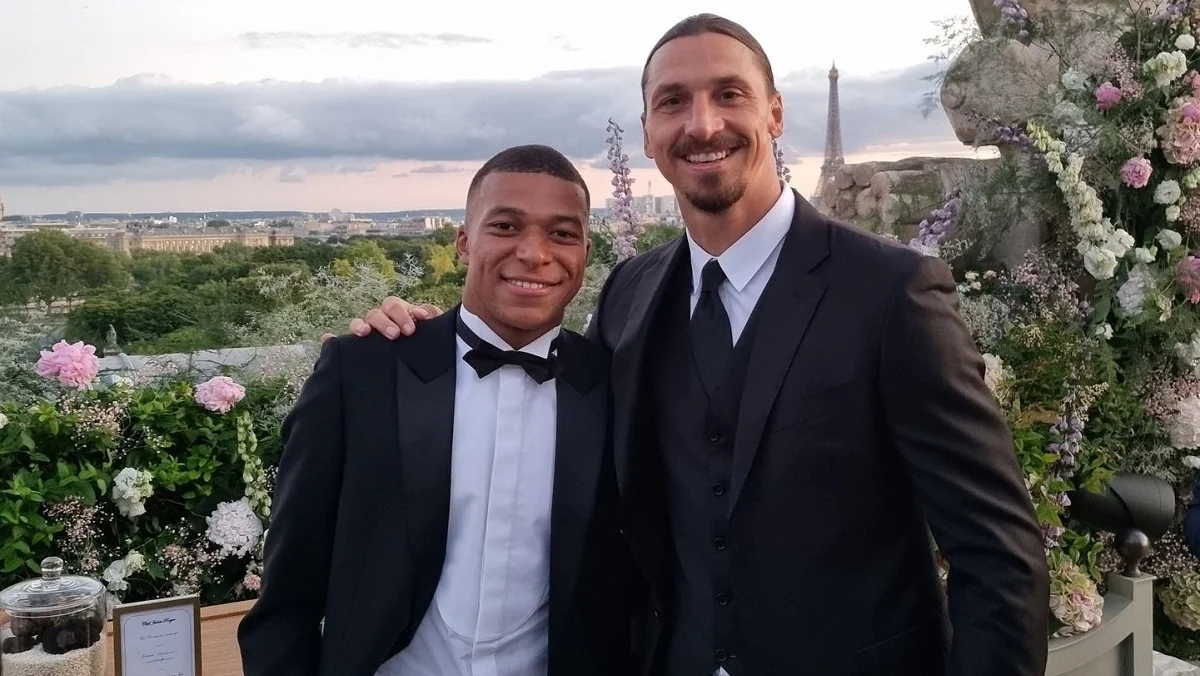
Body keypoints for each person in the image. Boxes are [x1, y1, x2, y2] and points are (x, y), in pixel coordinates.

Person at [345, 13, 1050, 676]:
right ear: (649, 132)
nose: (702, 124)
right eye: (673, 101)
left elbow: (997, 553)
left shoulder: (890, 293)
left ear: (775, 113)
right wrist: (419, 343)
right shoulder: (630, 292)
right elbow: (556, 412)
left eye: (729, 94)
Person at [238, 144, 637, 676]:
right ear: (464, 242)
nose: (534, 253)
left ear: (585, 252)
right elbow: (289, 591)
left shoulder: (613, 388)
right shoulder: (362, 373)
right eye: (506, 227)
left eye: (562, 233)